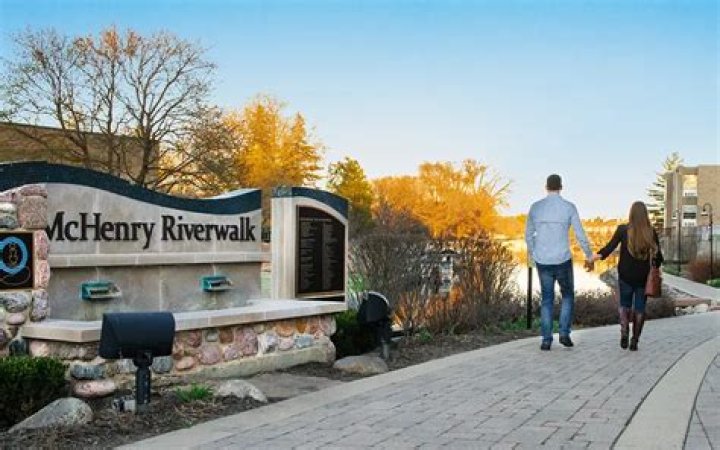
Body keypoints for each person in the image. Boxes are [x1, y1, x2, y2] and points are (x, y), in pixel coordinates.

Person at [526, 174, 594, 351]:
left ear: (546, 187)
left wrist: (534, 253)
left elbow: (528, 235)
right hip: (563, 259)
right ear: (561, 187)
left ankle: (546, 340)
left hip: (543, 260)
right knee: (568, 296)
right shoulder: (569, 207)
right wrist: (589, 255)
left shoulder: (536, 207)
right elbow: (580, 234)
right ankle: (564, 334)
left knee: (547, 299)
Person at [591, 201, 663, 351]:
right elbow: (659, 258)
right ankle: (634, 340)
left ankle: (624, 331)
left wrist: (595, 257)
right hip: (643, 278)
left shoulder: (623, 230)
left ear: (631, 214)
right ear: (645, 215)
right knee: (640, 308)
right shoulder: (650, 232)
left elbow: (610, 247)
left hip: (625, 275)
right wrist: (654, 266)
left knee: (624, 305)